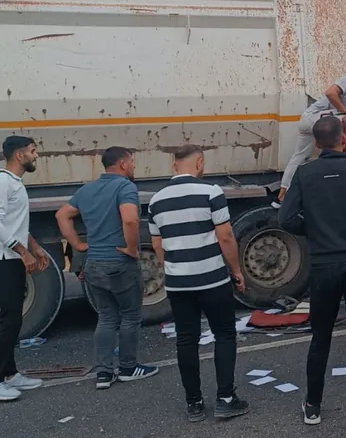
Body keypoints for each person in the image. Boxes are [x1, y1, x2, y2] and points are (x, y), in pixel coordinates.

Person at [278, 115, 346, 438]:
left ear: (316, 143)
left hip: (323, 264)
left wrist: (313, 228)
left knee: (321, 337)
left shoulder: (305, 173)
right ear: (343, 139)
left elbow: (286, 218)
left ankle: (313, 406)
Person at [147, 145, 249, 422]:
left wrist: (174, 266)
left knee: (186, 338)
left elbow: (157, 244)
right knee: (224, 334)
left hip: (178, 283)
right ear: (200, 162)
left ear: (174, 166)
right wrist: (236, 270)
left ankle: (194, 403)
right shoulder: (211, 192)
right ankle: (225, 399)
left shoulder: (156, 200)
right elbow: (225, 236)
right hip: (211, 278)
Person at [56, 147, 159, 389]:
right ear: (122, 164)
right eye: (132, 161)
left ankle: (103, 373)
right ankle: (128, 368)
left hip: (94, 263)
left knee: (106, 317)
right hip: (119, 263)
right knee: (130, 315)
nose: (134, 166)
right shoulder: (125, 187)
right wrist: (131, 249)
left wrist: (77, 244)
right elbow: (130, 219)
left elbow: (62, 215)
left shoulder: (87, 189)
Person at [275, 66, 346, 207]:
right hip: (312, 119)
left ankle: (282, 195)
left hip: (313, 123)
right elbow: (330, 93)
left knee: (299, 156)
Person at [0, 136, 48, 402]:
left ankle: (10, 374)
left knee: (14, 318)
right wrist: (21, 251)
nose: (36, 155)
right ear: (19, 155)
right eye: (32, 151)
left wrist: (35, 247)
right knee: (8, 320)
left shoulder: (15, 183)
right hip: (4, 259)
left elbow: (15, 223)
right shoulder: (3, 182)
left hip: (12, 258)